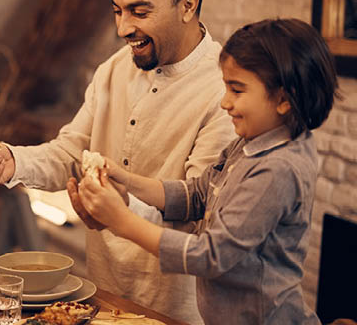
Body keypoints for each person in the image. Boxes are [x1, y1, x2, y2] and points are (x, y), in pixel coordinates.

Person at [0, 0, 235, 323]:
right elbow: (69, 155)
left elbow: (201, 215)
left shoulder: (225, 90)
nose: (122, 28)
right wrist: (12, 161)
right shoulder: (112, 70)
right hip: (102, 295)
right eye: (117, 11)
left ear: (188, 6)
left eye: (139, 12)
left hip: (175, 308)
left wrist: (120, 208)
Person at [76, 18, 337, 324]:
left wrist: (122, 222)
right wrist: (126, 180)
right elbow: (198, 193)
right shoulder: (250, 142)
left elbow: (211, 256)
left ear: (283, 98)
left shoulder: (278, 169)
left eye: (237, 90)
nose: (225, 102)